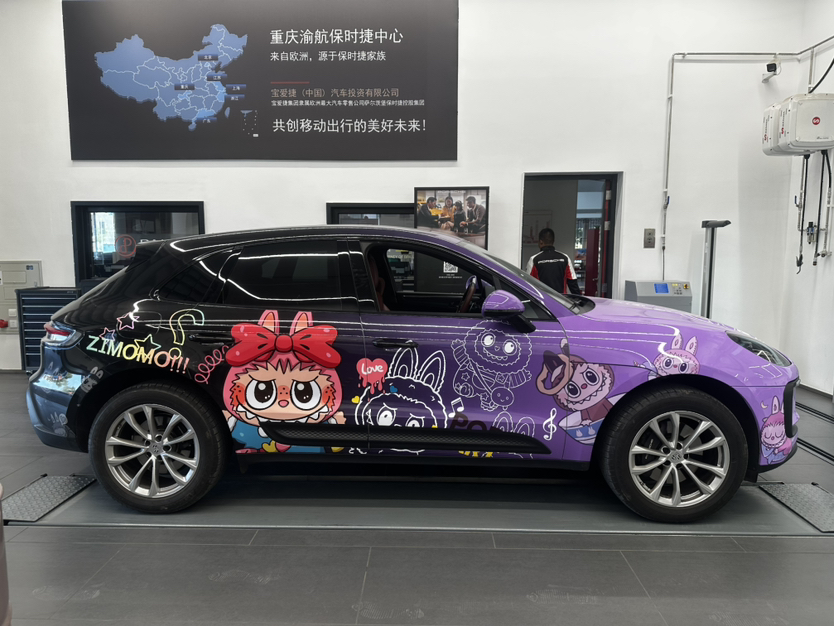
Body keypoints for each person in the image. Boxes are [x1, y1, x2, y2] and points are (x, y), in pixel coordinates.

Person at [525, 227, 581, 295]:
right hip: (560, 300)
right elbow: (573, 284)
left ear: (541, 242)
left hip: (541, 300)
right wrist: (580, 300)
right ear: (553, 241)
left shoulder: (534, 260)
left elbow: (527, 284)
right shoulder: (565, 258)